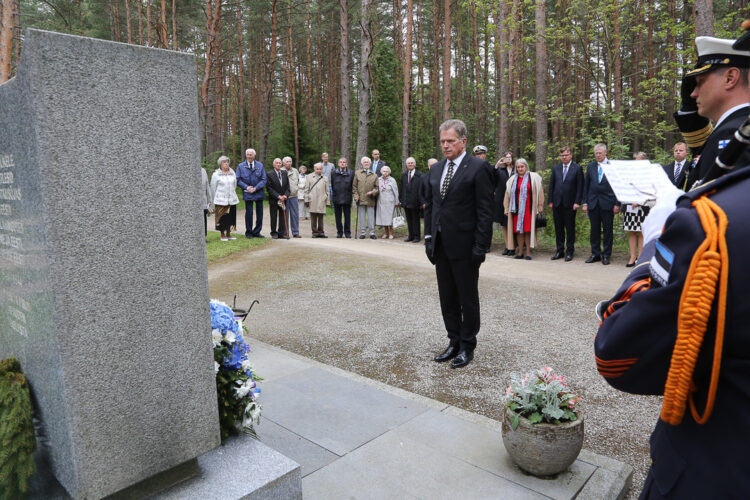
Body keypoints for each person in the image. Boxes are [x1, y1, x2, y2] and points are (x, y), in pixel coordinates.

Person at [593, 156, 750, 498]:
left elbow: (615, 355)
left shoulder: (713, 221)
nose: (692, 97)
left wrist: (652, 250)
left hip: (715, 471)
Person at [424, 119, 494, 369]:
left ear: (463, 141)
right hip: (440, 245)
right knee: (447, 297)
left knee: (467, 297)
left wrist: (480, 246)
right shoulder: (435, 170)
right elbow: (431, 207)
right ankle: (453, 340)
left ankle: (467, 345)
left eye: (451, 141)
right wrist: (428, 238)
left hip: (466, 246)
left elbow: (485, 211)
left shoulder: (477, 168)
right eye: (443, 141)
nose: (445, 145)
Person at [676, 36, 750, 189]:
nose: (693, 94)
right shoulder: (733, 128)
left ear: (730, 78)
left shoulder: (733, 135)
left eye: (700, 82)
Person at [583, 143, 620, 265]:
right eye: (596, 153)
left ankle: (606, 255)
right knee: (594, 230)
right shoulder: (591, 166)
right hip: (593, 203)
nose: (598, 155)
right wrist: (585, 203)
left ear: (605, 153)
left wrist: (617, 203)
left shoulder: (613, 166)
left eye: (600, 153)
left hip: (608, 203)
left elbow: (617, 186)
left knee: (608, 230)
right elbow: (586, 186)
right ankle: (595, 254)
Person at [503, 158, 544, 260]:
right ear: (516, 168)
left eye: (522, 166)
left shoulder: (534, 177)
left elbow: (540, 193)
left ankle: (528, 253)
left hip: (529, 209)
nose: (520, 169)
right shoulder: (512, 180)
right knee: (519, 231)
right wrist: (506, 208)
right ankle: (520, 252)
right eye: (518, 167)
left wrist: (540, 207)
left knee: (527, 230)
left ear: (526, 167)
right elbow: (507, 195)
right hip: (516, 210)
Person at [548, 147, 583, 261]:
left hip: (570, 203)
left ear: (571, 155)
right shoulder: (556, 168)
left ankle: (570, 251)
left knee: (570, 228)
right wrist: (550, 201)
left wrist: (577, 202)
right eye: (562, 155)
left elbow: (580, 187)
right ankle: (559, 250)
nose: (564, 157)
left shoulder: (577, 168)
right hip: (557, 203)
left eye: (566, 155)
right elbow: (551, 185)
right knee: (558, 228)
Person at [623, 152, 651, 267]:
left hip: (643, 206)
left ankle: (640, 257)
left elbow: (649, 191)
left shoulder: (648, 174)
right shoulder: (630, 173)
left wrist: (638, 202)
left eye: (639, 161)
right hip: (630, 207)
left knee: (641, 232)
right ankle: (632, 256)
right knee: (632, 231)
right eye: (635, 160)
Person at [236, 148, 267, 238]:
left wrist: (256, 188)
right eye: (248, 154)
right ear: (246, 155)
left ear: (254, 155)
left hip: (258, 192)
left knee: (259, 213)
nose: (249, 156)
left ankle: (257, 232)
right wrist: (246, 187)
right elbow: (237, 180)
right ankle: (249, 232)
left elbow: (264, 179)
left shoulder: (260, 165)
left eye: (251, 154)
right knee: (249, 213)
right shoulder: (241, 166)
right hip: (247, 192)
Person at [210, 156, 239, 241]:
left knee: (231, 217)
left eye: (227, 162)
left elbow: (235, 185)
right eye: (224, 162)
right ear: (220, 164)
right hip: (220, 200)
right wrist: (215, 199)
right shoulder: (216, 174)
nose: (226, 164)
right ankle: (222, 234)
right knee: (222, 218)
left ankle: (229, 234)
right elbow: (213, 187)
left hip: (232, 199)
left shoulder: (232, 173)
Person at [353, 157, 379, 239]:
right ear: (362, 163)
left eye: (367, 162)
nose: (366, 163)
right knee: (361, 216)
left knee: (371, 216)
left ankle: (372, 233)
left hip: (370, 199)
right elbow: (354, 187)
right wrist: (356, 196)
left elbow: (377, 188)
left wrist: (373, 192)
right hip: (360, 198)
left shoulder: (374, 175)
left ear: (370, 163)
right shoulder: (357, 173)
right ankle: (363, 233)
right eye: (364, 162)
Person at [495, 152, 515, 256]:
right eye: (506, 158)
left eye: (509, 158)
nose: (508, 160)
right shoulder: (500, 170)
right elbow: (492, 176)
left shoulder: (517, 170)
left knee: (513, 224)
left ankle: (513, 246)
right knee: (504, 224)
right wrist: (497, 164)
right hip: (502, 201)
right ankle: (507, 246)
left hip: (515, 201)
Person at [400, 157, 423, 242]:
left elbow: (421, 189)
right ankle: (411, 236)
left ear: (415, 164)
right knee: (409, 220)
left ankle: (417, 236)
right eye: (409, 163)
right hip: (406, 201)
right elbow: (401, 188)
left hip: (415, 202)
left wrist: (421, 201)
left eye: (412, 163)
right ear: (406, 165)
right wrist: (401, 200)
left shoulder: (420, 175)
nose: (410, 164)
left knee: (415, 220)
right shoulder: (404, 175)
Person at [266, 158, 290, 239]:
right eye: (277, 163)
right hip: (274, 199)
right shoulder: (269, 174)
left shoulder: (284, 173)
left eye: (280, 163)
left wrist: (285, 195)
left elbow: (288, 186)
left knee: (282, 216)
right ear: (273, 164)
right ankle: (273, 232)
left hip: (284, 199)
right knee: (273, 216)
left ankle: (281, 233)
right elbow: (269, 188)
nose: (278, 164)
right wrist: (278, 196)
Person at [304, 163, 330, 238]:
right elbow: (306, 189)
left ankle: (321, 232)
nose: (319, 170)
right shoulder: (309, 177)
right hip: (312, 199)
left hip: (322, 199)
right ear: (314, 169)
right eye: (317, 169)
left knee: (321, 216)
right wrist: (306, 200)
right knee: (313, 216)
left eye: (320, 169)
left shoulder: (325, 178)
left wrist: (327, 201)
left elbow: (327, 191)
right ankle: (314, 232)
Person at [331, 157, 355, 238]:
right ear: (338, 164)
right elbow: (332, 184)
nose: (342, 163)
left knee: (347, 216)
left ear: (346, 164)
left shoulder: (351, 173)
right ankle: (339, 232)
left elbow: (353, 185)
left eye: (344, 162)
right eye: (340, 162)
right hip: (337, 197)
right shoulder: (334, 173)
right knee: (338, 217)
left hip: (347, 197)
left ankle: (347, 232)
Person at [375, 166, 400, 239]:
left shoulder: (392, 180)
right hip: (381, 201)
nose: (385, 173)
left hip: (390, 202)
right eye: (384, 171)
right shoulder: (378, 179)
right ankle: (386, 233)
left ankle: (391, 233)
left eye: (387, 171)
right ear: (381, 172)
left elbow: (396, 191)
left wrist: (396, 202)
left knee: (390, 218)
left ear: (389, 172)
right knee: (383, 218)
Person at [283, 157, 301, 238]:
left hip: (294, 196)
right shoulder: (281, 170)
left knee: (295, 215)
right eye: (287, 162)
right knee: (284, 215)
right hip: (285, 197)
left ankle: (295, 232)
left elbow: (298, 181)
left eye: (290, 161)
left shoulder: (295, 171)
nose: (289, 163)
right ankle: (285, 232)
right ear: (284, 163)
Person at [201, 166, 212, 243]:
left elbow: (207, 185)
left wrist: (209, 199)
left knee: (204, 219)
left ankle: (203, 237)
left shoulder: (203, 170)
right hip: (193, 202)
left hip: (203, 200)